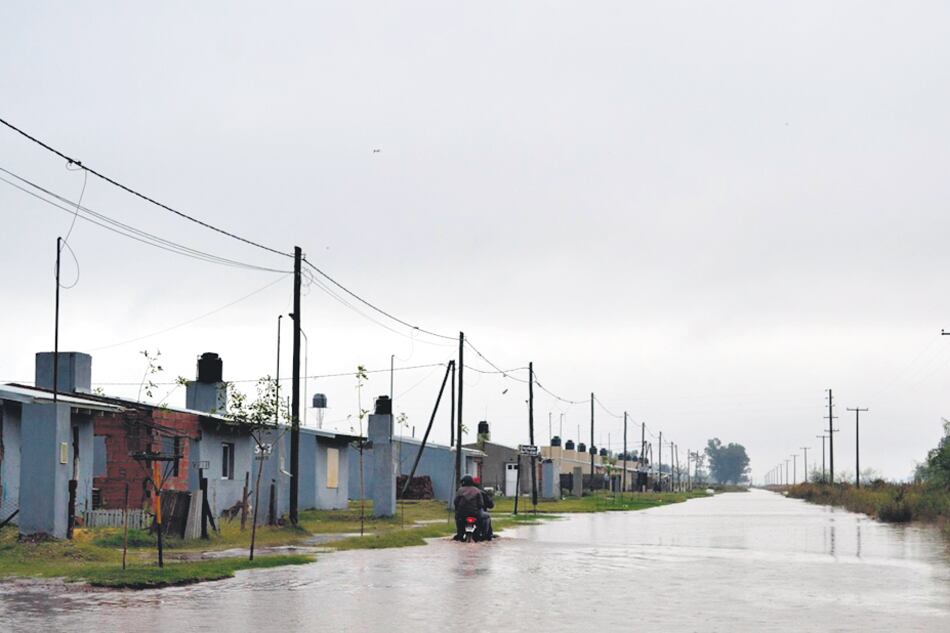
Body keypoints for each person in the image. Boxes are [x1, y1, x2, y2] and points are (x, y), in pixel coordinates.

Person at [453, 475, 484, 540]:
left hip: (461, 514)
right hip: (474, 513)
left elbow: (456, 502)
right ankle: (479, 533)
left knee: (458, 521)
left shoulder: (460, 490)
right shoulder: (477, 490)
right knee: (480, 520)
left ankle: (460, 534)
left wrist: (457, 509)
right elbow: (481, 503)